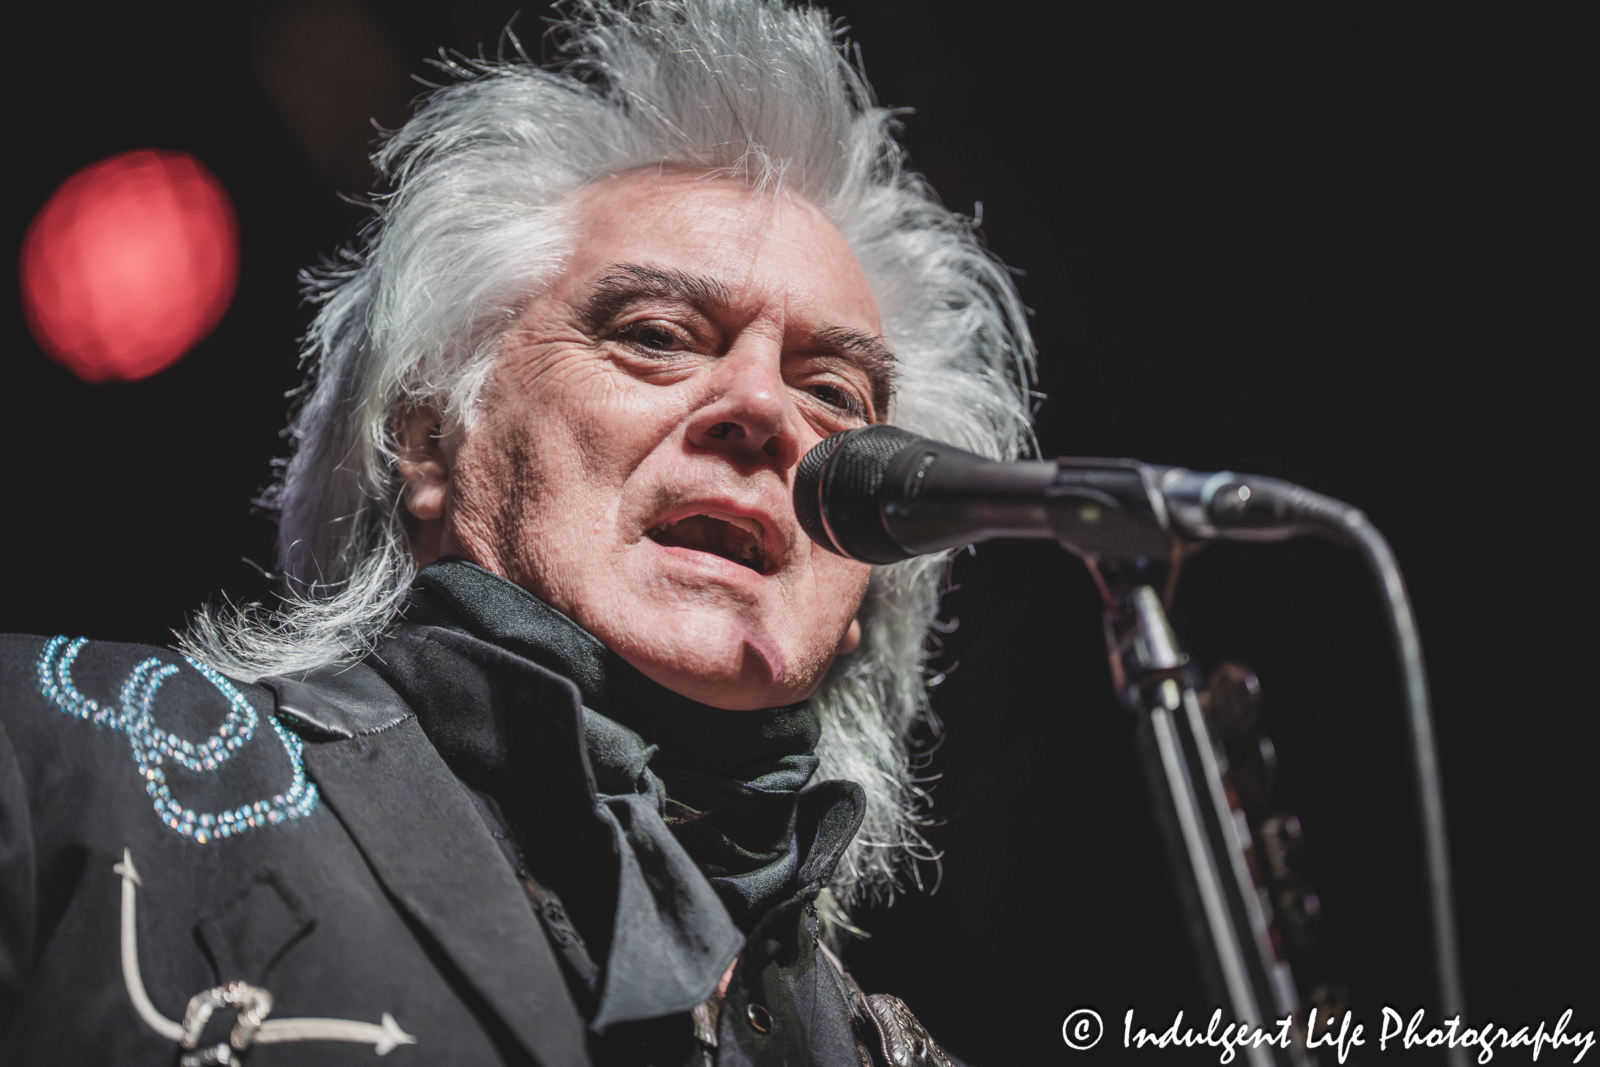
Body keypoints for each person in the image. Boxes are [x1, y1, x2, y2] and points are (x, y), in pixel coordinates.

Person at [0, 0, 1033, 1063]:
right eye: (657, 335)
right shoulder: (56, 756)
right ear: (430, 443)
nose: (765, 410)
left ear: (866, 584)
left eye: (831, 389)